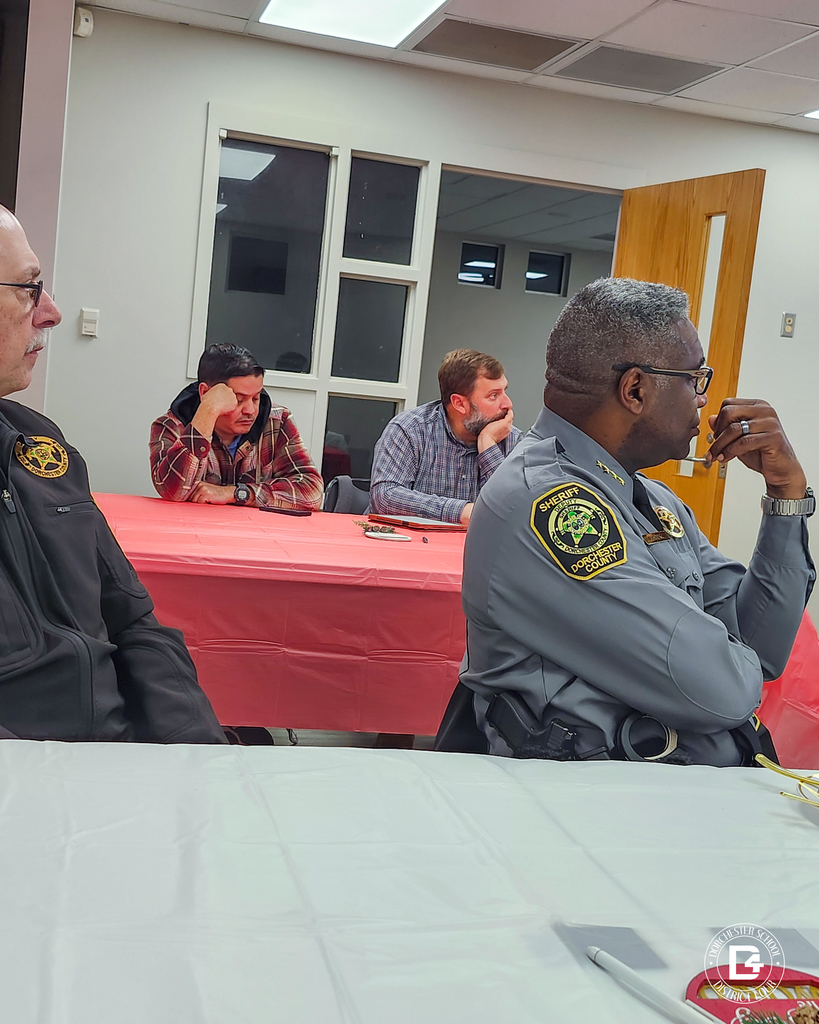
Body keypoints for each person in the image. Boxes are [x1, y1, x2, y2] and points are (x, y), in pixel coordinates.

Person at [457, 277, 814, 767]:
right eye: (693, 379)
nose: (703, 400)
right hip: (600, 808)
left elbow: (763, 651)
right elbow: (725, 689)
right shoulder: (550, 506)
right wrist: (721, 649)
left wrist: (786, 496)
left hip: (670, 795)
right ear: (635, 389)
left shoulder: (647, 498)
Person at [0, 206, 225, 741]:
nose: (50, 312)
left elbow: (133, 622)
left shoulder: (39, 444)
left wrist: (199, 753)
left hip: (111, 763)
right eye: (28, 288)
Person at [150, 344, 323, 510]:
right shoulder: (171, 426)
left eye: (256, 398)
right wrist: (208, 412)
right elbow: (172, 491)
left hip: (258, 534)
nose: (250, 411)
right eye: (238, 400)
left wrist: (238, 493)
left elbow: (312, 491)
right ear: (205, 392)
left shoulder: (278, 421)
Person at [370, 349, 521, 524]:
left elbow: (517, 511)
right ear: (459, 404)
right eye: (493, 395)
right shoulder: (410, 429)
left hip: (477, 550)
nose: (508, 404)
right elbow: (385, 496)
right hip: (411, 547)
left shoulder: (513, 440)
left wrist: (488, 445)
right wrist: (462, 512)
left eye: (504, 391)